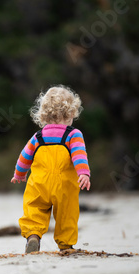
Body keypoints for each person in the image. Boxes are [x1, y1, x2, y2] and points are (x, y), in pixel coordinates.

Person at [11, 85, 91, 253]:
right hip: (64, 186)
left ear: (44, 114)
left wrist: (19, 174)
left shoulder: (37, 136)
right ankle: (66, 245)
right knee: (67, 215)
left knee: (34, 209)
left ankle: (33, 235)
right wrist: (83, 173)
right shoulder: (73, 134)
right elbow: (79, 155)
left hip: (39, 185)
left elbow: (24, 156)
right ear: (70, 113)